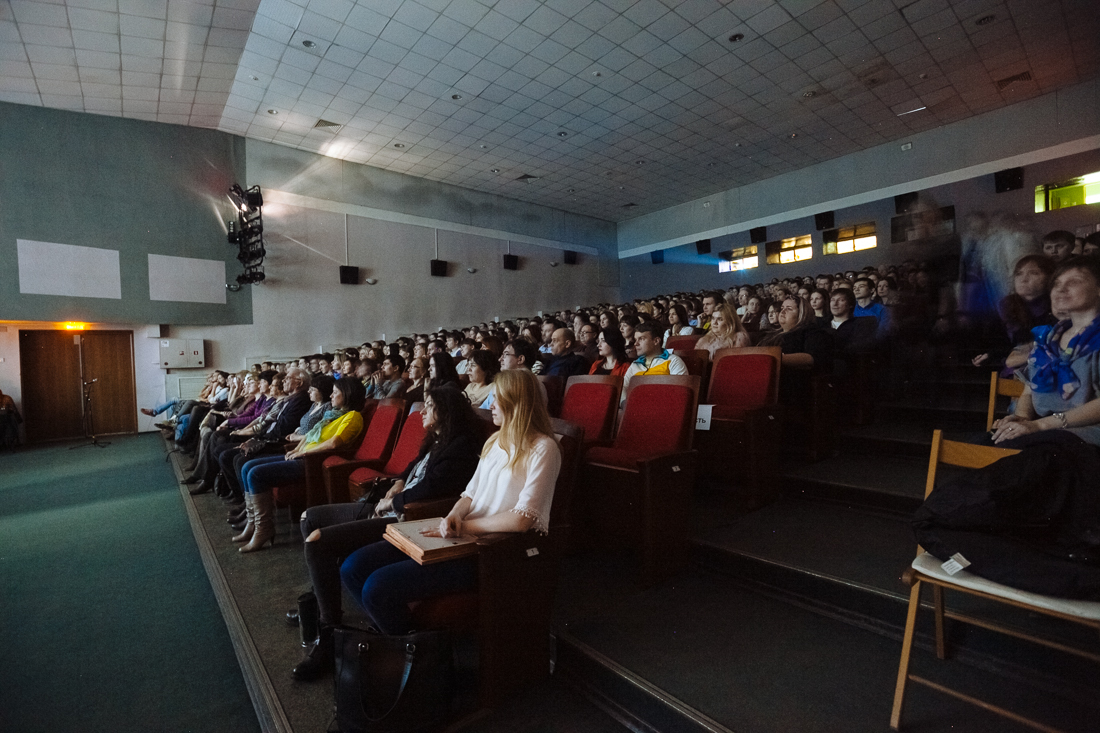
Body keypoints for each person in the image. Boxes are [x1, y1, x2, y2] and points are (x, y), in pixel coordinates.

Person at [339, 369, 561, 636]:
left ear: (516, 403)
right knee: (353, 567)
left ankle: (416, 649)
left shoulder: (543, 448)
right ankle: (400, 637)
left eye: (497, 398)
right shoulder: (495, 441)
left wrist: (464, 527)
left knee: (377, 587)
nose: (491, 404)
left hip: (490, 551)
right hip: (460, 537)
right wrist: (455, 515)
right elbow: (469, 494)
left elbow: (522, 519)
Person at [288, 385, 483, 679]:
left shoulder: (460, 447)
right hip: (387, 507)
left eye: (430, 406)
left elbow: (432, 488)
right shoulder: (436, 439)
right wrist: (398, 482)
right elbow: (411, 469)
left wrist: (393, 501)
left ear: (446, 412)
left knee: (317, 542)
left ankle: (328, 632)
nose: (423, 412)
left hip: (404, 518)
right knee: (309, 518)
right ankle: (321, 604)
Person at [233, 378, 367, 553]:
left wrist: (304, 453)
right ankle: (252, 523)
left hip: (314, 462)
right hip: (303, 456)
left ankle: (263, 529)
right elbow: (310, 435)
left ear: (348, 394)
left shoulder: (353, 416)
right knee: (247, 467)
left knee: (255, 473)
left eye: (335, 392)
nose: (331, 395)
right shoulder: (332, 414)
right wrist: (296, 449)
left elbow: (333, 443)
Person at [992, 257, 1100, 447]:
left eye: (1074, 281)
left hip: (1086, 433)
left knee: (1035, 454)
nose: (1060, 289)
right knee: (987, 444)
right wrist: (1022, 418)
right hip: (1046, 428)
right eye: (1056, 283)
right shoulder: (1049, 339)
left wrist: (1040, 425)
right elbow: (1029, 389)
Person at [624, 322, 688, 389]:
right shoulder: (634, 365)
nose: (636, 343)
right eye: (636, 340)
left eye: (641, 339)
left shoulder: (673, 361)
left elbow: (679, 391)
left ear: (656, 341)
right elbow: (623, 390)